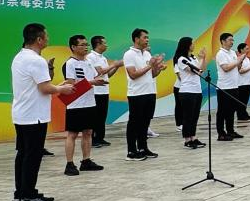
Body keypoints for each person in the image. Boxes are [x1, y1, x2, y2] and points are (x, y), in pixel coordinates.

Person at [10, 23, 74, 201]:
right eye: (46, 36)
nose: (48, 39)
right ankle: (27, 194)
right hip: (34, 114)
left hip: (23, 113)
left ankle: (22, 190)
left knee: (23, 154)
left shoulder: (20, 57)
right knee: (32, 155)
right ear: (39, 39)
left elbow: (40, 83)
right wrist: (63, 88)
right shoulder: (35, 60)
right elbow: (45, 88)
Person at [61, 35, 105, 176]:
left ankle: (86, 161)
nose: (86, 47)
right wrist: (92, 83)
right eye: (82, 45)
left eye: (86, 44)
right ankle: (69, 164)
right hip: (75, 104)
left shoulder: (88, 62)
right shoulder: (70, 63)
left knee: (88, 132)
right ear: (73, 47)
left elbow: (92, 78)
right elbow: (70, 83)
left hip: (89, 102)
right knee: (73, 134)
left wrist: (98, 81)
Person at [122, 29, 166, 160]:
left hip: (150, 91)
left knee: (145, 122)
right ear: (136, 39)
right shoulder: (129, 54)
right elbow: (133, 75)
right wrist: (150, 66)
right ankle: (131, 151)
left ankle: (143, 147)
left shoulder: (147, 54)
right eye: (145, 37)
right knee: (134, 122)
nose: (147, 40)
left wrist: (158, 68)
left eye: (148, 37)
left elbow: (151, 74)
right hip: (136, 94)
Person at [87, 35, 120, 148]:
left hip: (104, 90)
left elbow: (108, 74)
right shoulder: (91, 57)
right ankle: (93, 139)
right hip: (96, 91)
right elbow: (99, 72)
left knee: (102, 116)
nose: (106, 45)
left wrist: (116, 67)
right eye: (104, 43)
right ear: (98, 44)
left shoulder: (103, 58)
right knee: (95, 116)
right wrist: (114, 64)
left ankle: (100, 137)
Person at [173, 37, 206, 149]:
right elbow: (195, 71)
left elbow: (201, 70)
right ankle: (187, 140)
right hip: (187, 91)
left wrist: (203, 58)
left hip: (197, 90)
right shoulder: (181, 59)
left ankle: (194, 137)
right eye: (192, 43)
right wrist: (201, 60)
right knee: (188, 116)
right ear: (186, 45)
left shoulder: (192, 58)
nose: (194, 45)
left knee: (195, 116)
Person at [214, 33, 242, 141]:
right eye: (230, 40)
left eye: (233, 40)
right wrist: (237, 61)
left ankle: (230, 131)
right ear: (223, 41)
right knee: (222, 111)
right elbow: (225, 68)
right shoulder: (221, 54)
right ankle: (221, 133)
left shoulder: (233, 53)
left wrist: (240, 61)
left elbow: (237, 68)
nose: (232, 42)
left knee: (231, 110)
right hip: (224, 87)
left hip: (234, 85)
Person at [235, 42, 250, 122]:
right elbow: (240, 71)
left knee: (245, 100)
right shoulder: (239, 59)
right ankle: (240, 115)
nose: (248, 50)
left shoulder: (247, 59)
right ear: (241, 50)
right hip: (241, 83)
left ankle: (244, 113)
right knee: (241, 100)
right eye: (246, 49)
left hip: (248, 82)